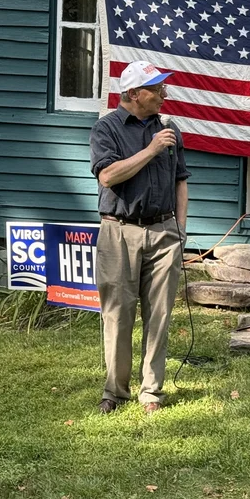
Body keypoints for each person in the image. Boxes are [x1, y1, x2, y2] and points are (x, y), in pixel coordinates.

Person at [89, 60, 190, 414]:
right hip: (119, 232)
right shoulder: (107, 129)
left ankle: (152, 392)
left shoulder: (169, 128)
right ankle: (115, 392)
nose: (165, 94)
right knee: (118, 314)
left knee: (159, 313)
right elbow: (108, 177)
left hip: (164, 232)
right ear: (134, 94)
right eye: (156, 88)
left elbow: (180, 180)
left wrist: (180, 227)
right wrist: (151, 150)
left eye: (163, 86)